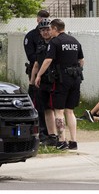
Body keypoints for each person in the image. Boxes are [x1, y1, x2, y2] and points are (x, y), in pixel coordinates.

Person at [35, 19, 84, 150]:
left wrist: (39, 75)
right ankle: (73, 141)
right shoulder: (74, 41)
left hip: (62, 79)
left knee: (59, 111)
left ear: (55, 28)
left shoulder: (55, 42)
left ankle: (62, 141)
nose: (49, 31)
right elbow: (81, 60)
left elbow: (48, 60)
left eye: (50, 29)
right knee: (70, 111)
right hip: (76, 78)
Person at [29, 18, 57, 146]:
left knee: (53, 109)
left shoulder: (55, 44)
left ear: (51, 30)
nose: (45, 32)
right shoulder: (40, 45)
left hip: (52, 81)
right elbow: (36, 64)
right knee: (41, 108)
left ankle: (54, 135)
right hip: (41, 82)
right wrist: (32, 81)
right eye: (42, 30)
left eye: (47, 29)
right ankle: (43, 134)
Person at [23, 10, 50, 142]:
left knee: (48, 105)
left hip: (49, 74)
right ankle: (39, 129)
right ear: (37, 19)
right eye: (42, 19)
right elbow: (32, 57)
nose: (43, 22)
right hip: (35, 72)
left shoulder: (51, 36)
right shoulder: (31, 36)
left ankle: (48, 130)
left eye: (46, 19)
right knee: (36, 102)